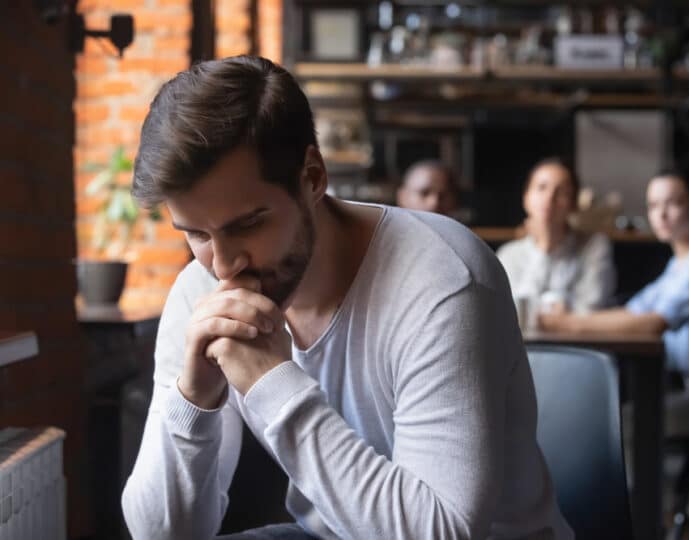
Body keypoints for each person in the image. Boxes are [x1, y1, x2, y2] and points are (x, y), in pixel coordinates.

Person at [120, 56, 571, 540]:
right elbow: (161, 534)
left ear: (312, 177)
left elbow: (441, 533)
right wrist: (194, 401)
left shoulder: (442, 281)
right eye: (196, 234)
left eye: (248, 224)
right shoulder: (200, 291)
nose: (224, 266)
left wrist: (273, 383)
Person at [538, 171, 689, 438]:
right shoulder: (676, 265)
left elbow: (654, 322)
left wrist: (569, 324)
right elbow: (633, 312)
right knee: (617, 419)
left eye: (673, 203)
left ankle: (639, 482)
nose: (661, 214)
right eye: (654, 206)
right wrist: (571, 322)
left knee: (619, 425)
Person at [496, 158, 616, 317]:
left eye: (562, 192)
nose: (549, 198)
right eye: (541, 187)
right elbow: (511, 314)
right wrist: (544, 248)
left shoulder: (595, 247)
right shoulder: (508, 255)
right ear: (526, 198)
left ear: (573, 204)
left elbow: (591, 309)